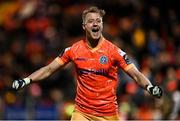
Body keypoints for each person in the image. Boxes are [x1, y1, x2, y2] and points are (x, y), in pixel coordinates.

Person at [12, 6, 162, 121]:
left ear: (102, 25)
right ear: (84, 26)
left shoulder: (114, 51)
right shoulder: (73, 50)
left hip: (107, 114)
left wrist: (150, 87)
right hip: (82, 112)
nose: (95, 24)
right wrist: (26, 80)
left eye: (98, 21)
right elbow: (49, 69)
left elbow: (136, 74)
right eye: (91, 21)